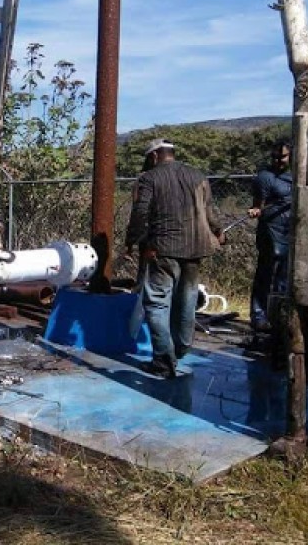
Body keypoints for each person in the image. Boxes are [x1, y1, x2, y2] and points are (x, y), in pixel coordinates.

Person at [125, 138, 226, 378]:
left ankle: (163, 360)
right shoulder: (198, 175)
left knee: (157, 303)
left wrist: (133, 240)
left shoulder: (149, 178)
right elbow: (209, 210)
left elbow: (140, 213)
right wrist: (218, 230)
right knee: (186, 300)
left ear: (154, 156)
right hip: (195, 248)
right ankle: (181, 348)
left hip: (163, 249)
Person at [248, 137, 292, 332]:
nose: (277, 161)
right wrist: (256, 210)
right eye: (274, 157)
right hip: (271, 232)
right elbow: (258, 204)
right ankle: (259, 316)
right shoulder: (265, 177)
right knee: (266, 274)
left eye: (282, 157)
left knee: (285, 277)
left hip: (291, 231)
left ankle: (280, 316)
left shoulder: (296, 176)